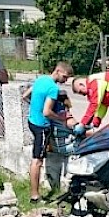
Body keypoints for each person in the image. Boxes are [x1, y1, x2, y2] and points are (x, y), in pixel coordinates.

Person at [23, 62, 73, 203]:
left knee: (38, 156)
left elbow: (25, 96)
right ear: (57, 71)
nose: (65, 80)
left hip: (32, 121)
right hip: (42, 126)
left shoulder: (41, 79)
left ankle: (35, 193)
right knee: (37, 161)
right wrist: (60, 118)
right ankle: (34, 196)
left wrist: (35, 107)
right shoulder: (53, 88)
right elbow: (47, 112)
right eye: (65, 76)